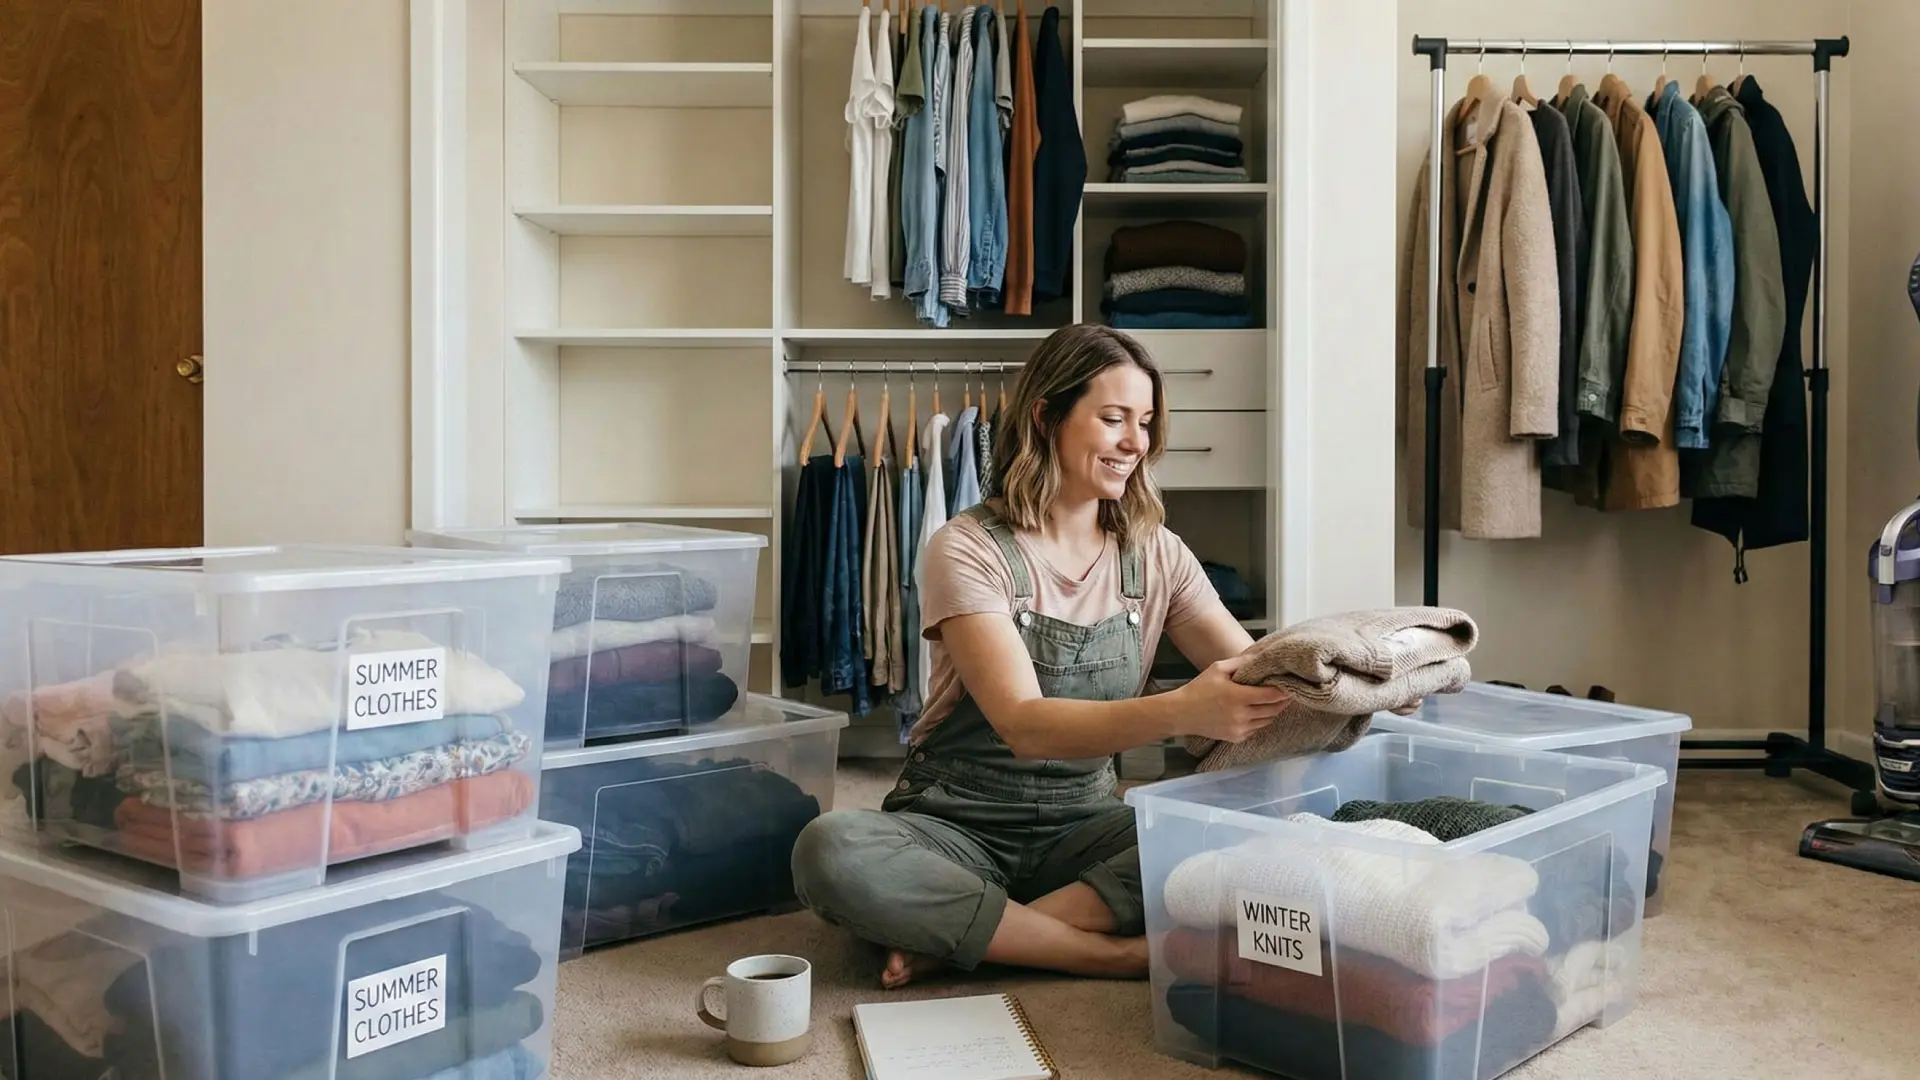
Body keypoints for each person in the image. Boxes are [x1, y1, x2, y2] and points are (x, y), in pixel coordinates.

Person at [789, 324, 1293, 990]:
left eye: (1144, 423)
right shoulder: (967, 546)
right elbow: (1023, 724)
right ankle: (1105, 954)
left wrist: (1356, 676)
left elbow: (1255, 667)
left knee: (1259, 828)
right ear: (1046, 415)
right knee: (829, 850)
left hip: (1084, 825)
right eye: (1113, 418)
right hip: (956, 822)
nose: (1135, 443)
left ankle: (989, 934)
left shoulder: (1157, 552)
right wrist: (1181, 710)